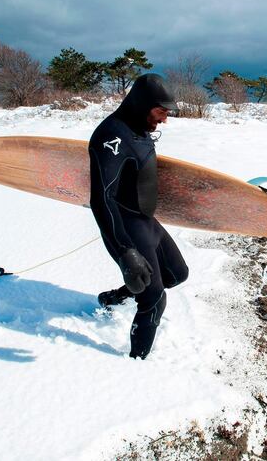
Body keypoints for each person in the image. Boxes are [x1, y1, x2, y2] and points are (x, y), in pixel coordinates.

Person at [88, 73, 189, 359]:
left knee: (177, 274)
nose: (165, 119)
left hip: (146, 220)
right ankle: (135, 366)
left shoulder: (140, 129)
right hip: (125, 225)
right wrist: (125, 252)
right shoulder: (112, 134)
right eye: (161, 112)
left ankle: (116, 297)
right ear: (143, 104)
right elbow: (101, 198)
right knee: (154, 299)